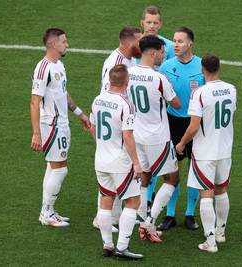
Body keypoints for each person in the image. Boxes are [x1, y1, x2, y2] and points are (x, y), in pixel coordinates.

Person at [176, 53, 236, 253]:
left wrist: (182, 143)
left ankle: (210, 242)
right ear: (219, 67)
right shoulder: (231, 89)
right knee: (221, 190)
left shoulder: (200, 93)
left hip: (204, 153)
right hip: (225, 150)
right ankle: (220, 232)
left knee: (206, 195)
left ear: (202, 70)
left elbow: (194, 127)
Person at [30, 28, 90, 227]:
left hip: (61, 123)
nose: (67, 45)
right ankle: (47, 214)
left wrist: (80, 113)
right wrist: (37, 133)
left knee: (53, 167)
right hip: (51, 125)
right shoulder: (43, 68)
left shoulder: (59, 66)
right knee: (60, 170)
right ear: (54, 44)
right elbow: (34, 101)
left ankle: (47, 211)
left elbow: (63, 94)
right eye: (64, 42)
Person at [127, 35, 181, 243]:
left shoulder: (129, 74)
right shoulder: (159, 78)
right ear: (152, 52)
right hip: (157, 137)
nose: (164, 54)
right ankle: (149, 223)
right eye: (161, 51)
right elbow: (175, 104)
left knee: (145, 178)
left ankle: (142, 222)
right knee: (172, 178)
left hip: (136, 135)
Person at [90, 64, 143, 259]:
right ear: (126, 81)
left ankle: (108, 245)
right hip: (120, 161)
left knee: (106, 200)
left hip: (101, 159)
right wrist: (137, 163)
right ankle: (122, 247)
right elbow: (128, 136)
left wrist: (103, 146)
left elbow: (93, 127)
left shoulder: (98, 100)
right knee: (132, 200)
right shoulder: (125, 104)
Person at [93, 26, 142, 233]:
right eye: (140, 41)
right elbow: (108, 96)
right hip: (115, 124)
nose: (143, 44)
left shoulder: (129, 59)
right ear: (130, 43)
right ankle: (102, 218)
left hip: (122, 119)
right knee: (113, 169)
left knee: (113, 172)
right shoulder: (115, 63)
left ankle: (114, 216)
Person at [159, 26, 205, 230]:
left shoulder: (202, 66)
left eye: (180, 41)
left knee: (195, 169)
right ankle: (170, 214)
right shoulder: (166, 66)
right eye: (174, 41)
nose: (175, 45)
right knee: (171, 169)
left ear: (190, 44)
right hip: (172, 122)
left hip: (195, 123)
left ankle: (189, 214)